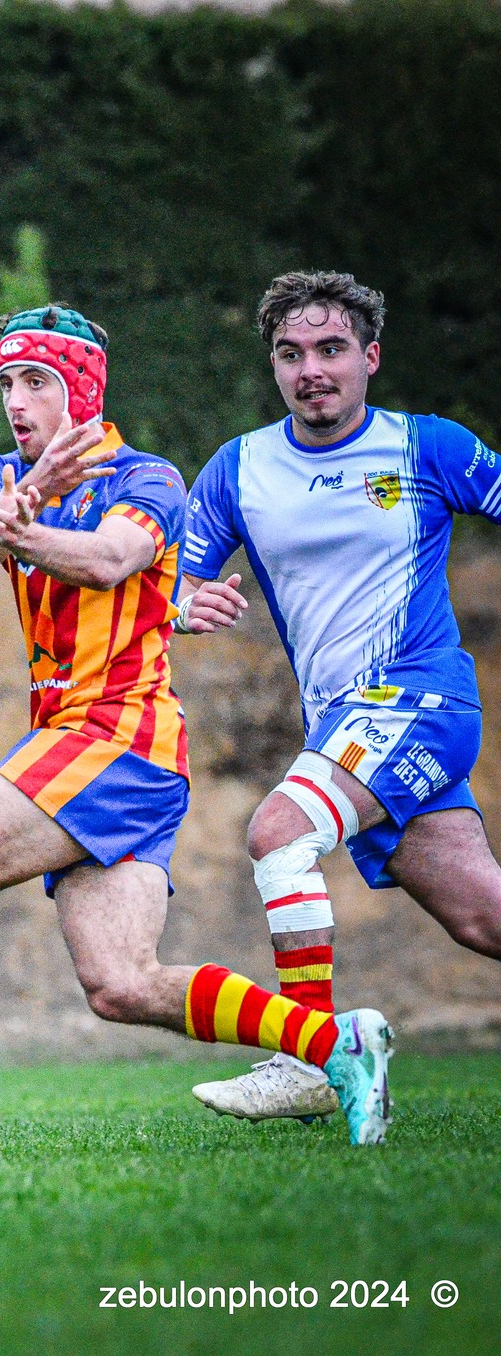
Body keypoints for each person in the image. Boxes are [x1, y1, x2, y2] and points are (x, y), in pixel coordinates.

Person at [0, 304, 393, 1163]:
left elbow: (108, 560)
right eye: (6, 384)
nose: (15, 402)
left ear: (82, 392)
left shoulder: (148, 478)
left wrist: (24, 523)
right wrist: (24, 502)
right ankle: (337, 1044)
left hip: (114, 738)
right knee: (121, 985)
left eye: (36, 382)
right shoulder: (1, 476)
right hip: (107, 753)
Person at [176, 272, 501, 1121]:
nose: (312, 369)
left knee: (278, 832)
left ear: (370, 358)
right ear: (274, 366)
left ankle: (313, 1060)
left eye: (331, 349)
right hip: (344, 727)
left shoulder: (427, 446)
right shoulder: (239, 468)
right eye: (291, 354)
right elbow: (178, 576)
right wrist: (185, 604)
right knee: (482, 919)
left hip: (420, 700)